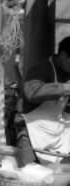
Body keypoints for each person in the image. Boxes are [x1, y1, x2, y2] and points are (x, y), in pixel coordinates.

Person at [15, 36, 70, 165]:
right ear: (62, 55)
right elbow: (31, 92)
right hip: (31, 130)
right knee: (30, 174)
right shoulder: (41, 69)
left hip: (57, 133)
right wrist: (64, 88)